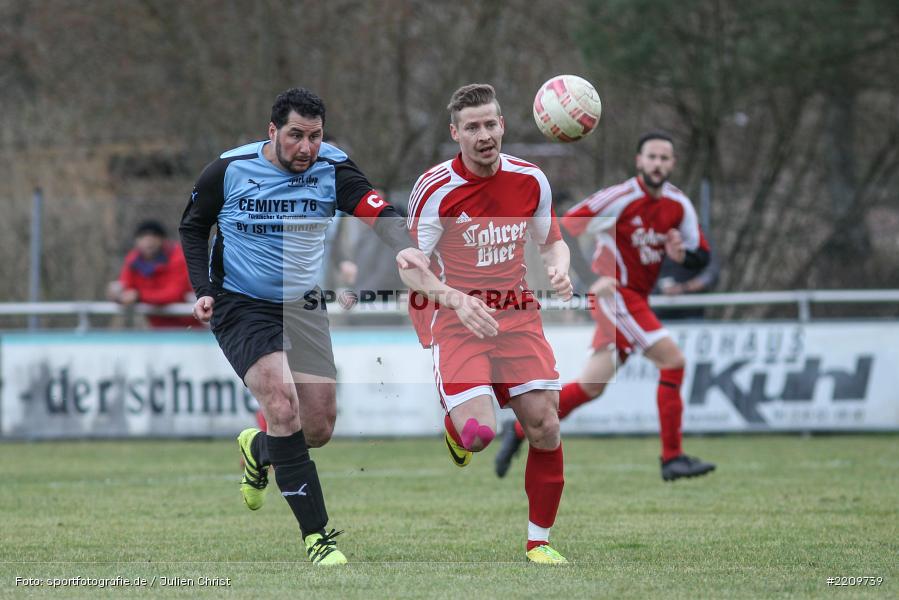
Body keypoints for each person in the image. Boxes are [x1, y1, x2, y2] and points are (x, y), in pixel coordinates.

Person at [179, 87, 428, 565]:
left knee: (317, 426)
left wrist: (402, 244)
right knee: (282, 403)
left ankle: (259, 447)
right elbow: (192, 226)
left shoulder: (332, 167)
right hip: (241, 302)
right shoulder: (229, 170)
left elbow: (376, 209)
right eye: (296, 136)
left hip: (303, 302)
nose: (306, 148)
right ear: (272, 132)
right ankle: (317, 537)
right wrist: (203, 287)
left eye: (314, 136)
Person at [402, 84, 573, 564]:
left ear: (503, 125)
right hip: (458, 320)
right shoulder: (435, 189)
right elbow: (410, 265)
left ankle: (539, 542)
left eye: (491, 124)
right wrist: (455, 300)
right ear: (455, 133)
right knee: (479, 434)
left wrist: (560, 266)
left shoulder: (531, 180)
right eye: (472, 127)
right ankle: (459, 428)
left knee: (545, 426)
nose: (484, 135)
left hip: (516, 315)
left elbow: (552, 241)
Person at [494, 131, 717, 483]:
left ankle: (518, 430)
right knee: (673, 361)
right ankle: (672, 458)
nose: (657, 164)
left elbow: (701, 256)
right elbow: (563, 227)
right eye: (651, 157)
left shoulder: (678, 205)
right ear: (639, 161)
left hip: (635, 299)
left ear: (672, 164)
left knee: (591, 385)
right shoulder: (620, 198)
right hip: (616, 296)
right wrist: (586, 278)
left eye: (664, 158)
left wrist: (683, 256)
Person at [107, 220, 195, 328]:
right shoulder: (134, 260)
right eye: (143, 237)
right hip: (157, 327)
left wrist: (138, 296)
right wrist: (118, 294)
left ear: (163, 240)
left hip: (189, 325)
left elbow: (174, 294)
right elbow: (126, 286)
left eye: (154, 236)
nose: (148, 241)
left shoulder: (178, 258)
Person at [653, 242, 721, 320]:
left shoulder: (698, 234)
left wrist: (684, 287)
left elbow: (711, 271)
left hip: (690, 311)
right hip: (656, 309)